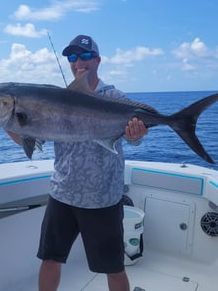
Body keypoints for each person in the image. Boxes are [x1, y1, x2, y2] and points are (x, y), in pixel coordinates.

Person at [8, 35, 148, 291]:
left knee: (113, 268)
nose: (78, 62)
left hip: (102, 198)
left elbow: (135, 138)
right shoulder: (57, 99)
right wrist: (8, 122)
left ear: (97, 60)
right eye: (72, 57)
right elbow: (31, 142)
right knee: (49, 259)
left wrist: (136, 134)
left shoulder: (114, 97)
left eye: (84, 55)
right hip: (62, 194)